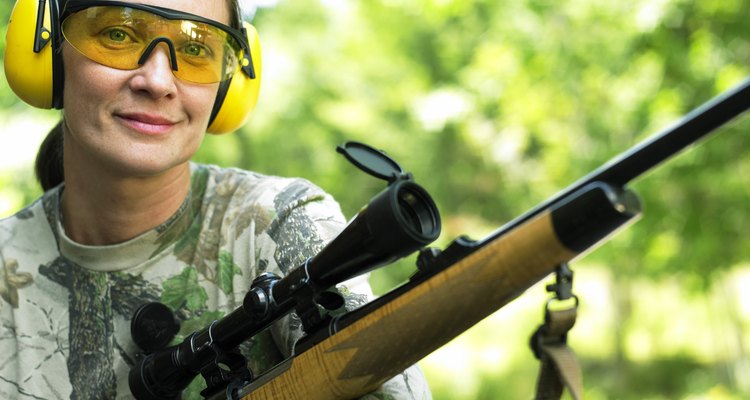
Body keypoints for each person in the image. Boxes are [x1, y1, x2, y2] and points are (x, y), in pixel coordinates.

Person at [0, 0, 432, 398]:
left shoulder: (276, 223)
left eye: (196, 48)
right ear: (44, 50)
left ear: (230, 87)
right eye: (117, 35)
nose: (156, 81)